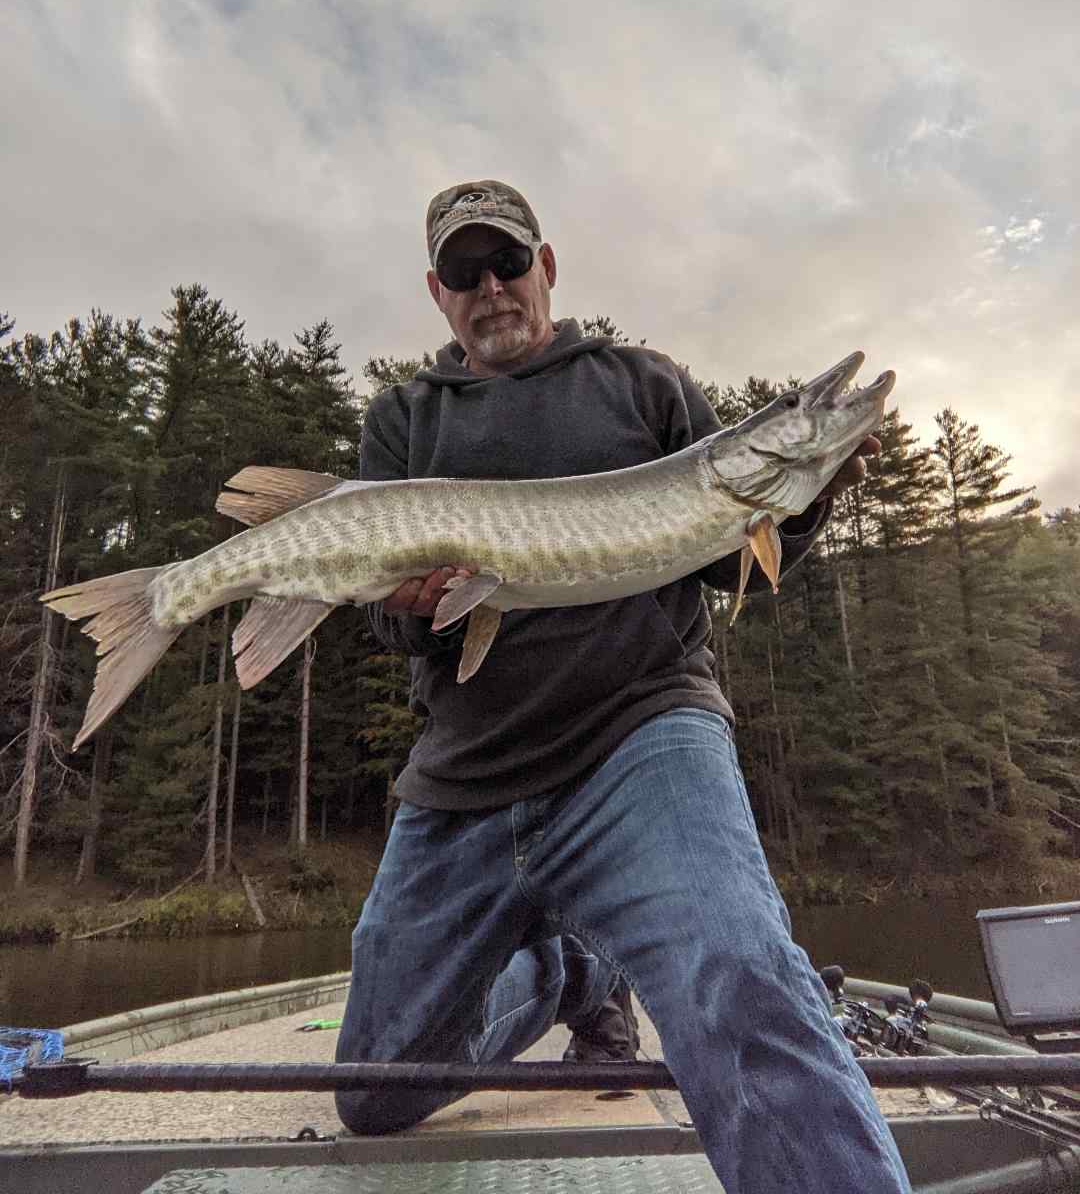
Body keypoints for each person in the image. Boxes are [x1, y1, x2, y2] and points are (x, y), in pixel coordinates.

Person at [334, 180, 910, 1194]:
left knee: (738, 971)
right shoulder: (404, 420)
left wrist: (803, 500)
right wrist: (418, 607)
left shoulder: (643, 385)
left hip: (642, 740)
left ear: (546, 268)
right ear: (439, 292)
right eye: (466, 274)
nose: (493, 288)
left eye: (508, 263)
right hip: (465, 777)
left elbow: (722, 563)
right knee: (375, 1094)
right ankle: (569, 972)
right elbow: (391, 625)